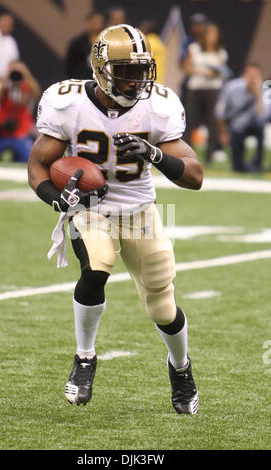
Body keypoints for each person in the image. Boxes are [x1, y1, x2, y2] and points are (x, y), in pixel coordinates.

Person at [28, 24, 203, 414]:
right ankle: (85, 358)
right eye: (127, 70)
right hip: (91, 209)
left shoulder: (157, 105)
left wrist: (155, 154)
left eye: (142, 70)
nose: (137, 80)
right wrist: (57, 199)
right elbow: (38, 166)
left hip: (139, 210)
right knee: (97, 266)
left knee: (162, 303)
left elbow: (195, 175)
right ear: (101, 68)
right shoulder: (68, 102)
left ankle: (181, 368)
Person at [182, 22, 228, 165]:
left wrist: (216, 73)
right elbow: (187, 68)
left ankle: (209, 158)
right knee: (190, 122)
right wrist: (202, 71)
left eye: (215, 34)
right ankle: (188, 155)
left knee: (212, 122)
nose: (212, 37)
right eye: (209, 34)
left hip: (213, 89)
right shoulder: (194, 49)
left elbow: (222, 72)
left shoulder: (221, 53)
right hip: (195, 88)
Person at [0, 61, 40, 162]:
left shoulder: (26, 85)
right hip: (0, 132)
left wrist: (25, 73)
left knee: (29, 159)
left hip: (21, 133)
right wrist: (5, 78)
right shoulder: (1, 84)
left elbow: (36, 93)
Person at [216, 63, 270, 172]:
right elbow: (220, 112)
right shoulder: (232, 88)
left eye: (256, 76)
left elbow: (263, 117)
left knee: (261, 131)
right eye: (250, 75)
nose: (253, 79)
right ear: (243, 75)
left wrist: (258, 95)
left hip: (255, 125)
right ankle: (240, 165)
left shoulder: (264, 91)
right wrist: (223, 132)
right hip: (237, 126)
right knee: (237, 168)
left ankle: (258, 163)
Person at [65, 11, 104, 79]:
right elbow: (70, 64)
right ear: (89, 22)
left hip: (100, 80)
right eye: (94, 21)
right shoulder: (77, 43)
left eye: (99, 21)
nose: (97, 24)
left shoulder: (106, 42)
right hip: (82, 79)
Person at [138, 20, 167, 85]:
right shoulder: (159, 42)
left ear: (148, 30)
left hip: (147, 81)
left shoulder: (147, 43)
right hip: (159, 81)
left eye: (143, 27)